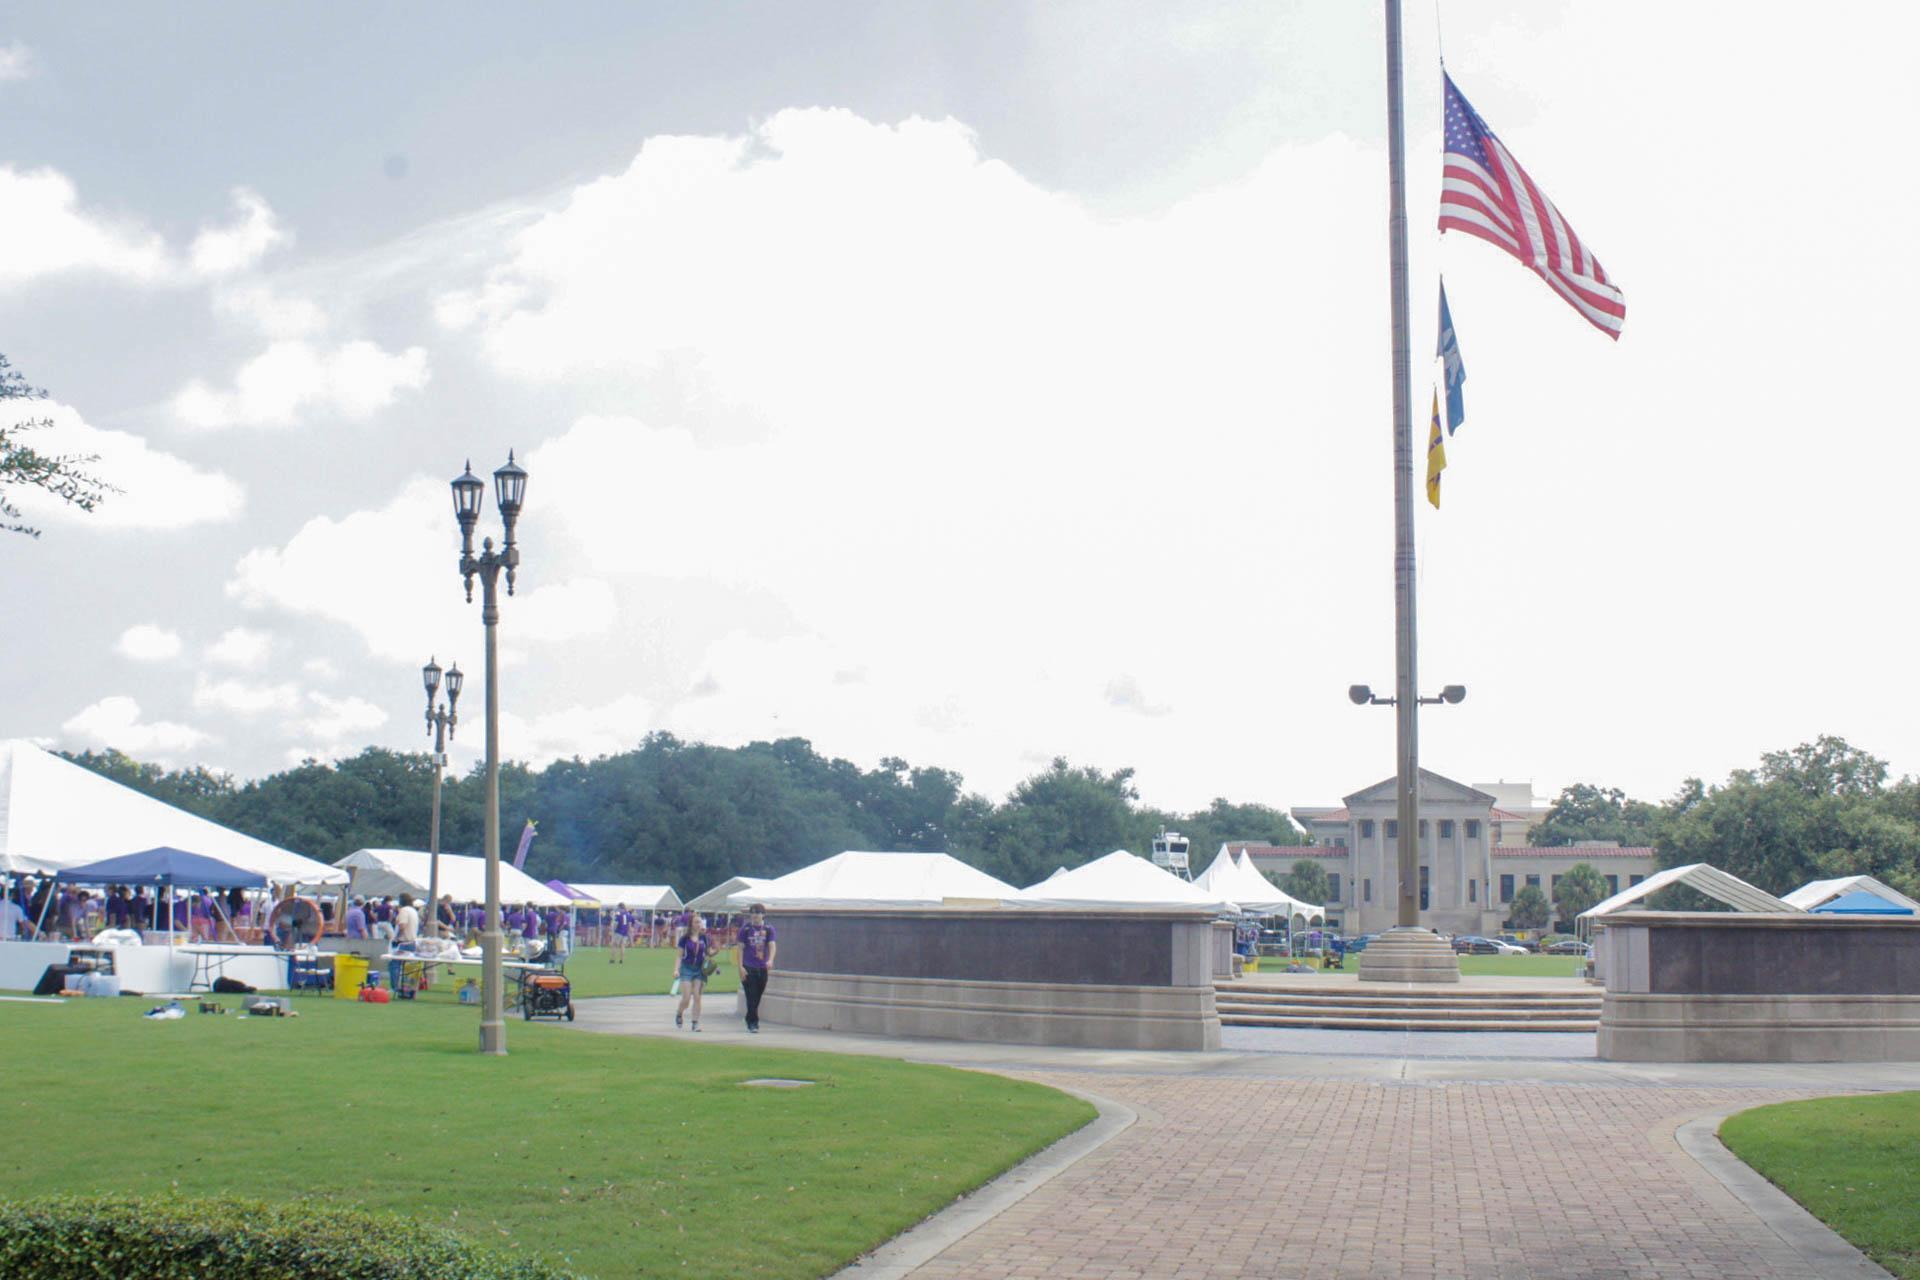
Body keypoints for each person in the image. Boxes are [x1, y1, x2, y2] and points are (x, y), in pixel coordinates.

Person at [735, 903, 777, 1033]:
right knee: (751, 995)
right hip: (748, 967)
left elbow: (772, 945)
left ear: (763, 915)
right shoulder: (745, 929)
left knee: (758, 995)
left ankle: (749, 1017)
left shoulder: (769, 929)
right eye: (753, 913)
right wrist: (740, 966)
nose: (755, 916)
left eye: (758, 913)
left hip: (762, 967)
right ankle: (753, 1023)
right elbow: (740, 949)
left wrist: (770, 959)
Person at [674, 916, 711, 1032]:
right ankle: (679, 1013)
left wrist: (713, 954)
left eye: (700, 922)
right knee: (686, 998)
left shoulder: (704, 937)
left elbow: (707, 954)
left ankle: (695, 1023)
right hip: (686, 968)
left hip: (699, 970)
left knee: (697, 997)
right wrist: (676, 969)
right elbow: (679, 956)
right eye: (696, 922)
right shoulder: (684, 938)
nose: (698, 924)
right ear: (691, 924)